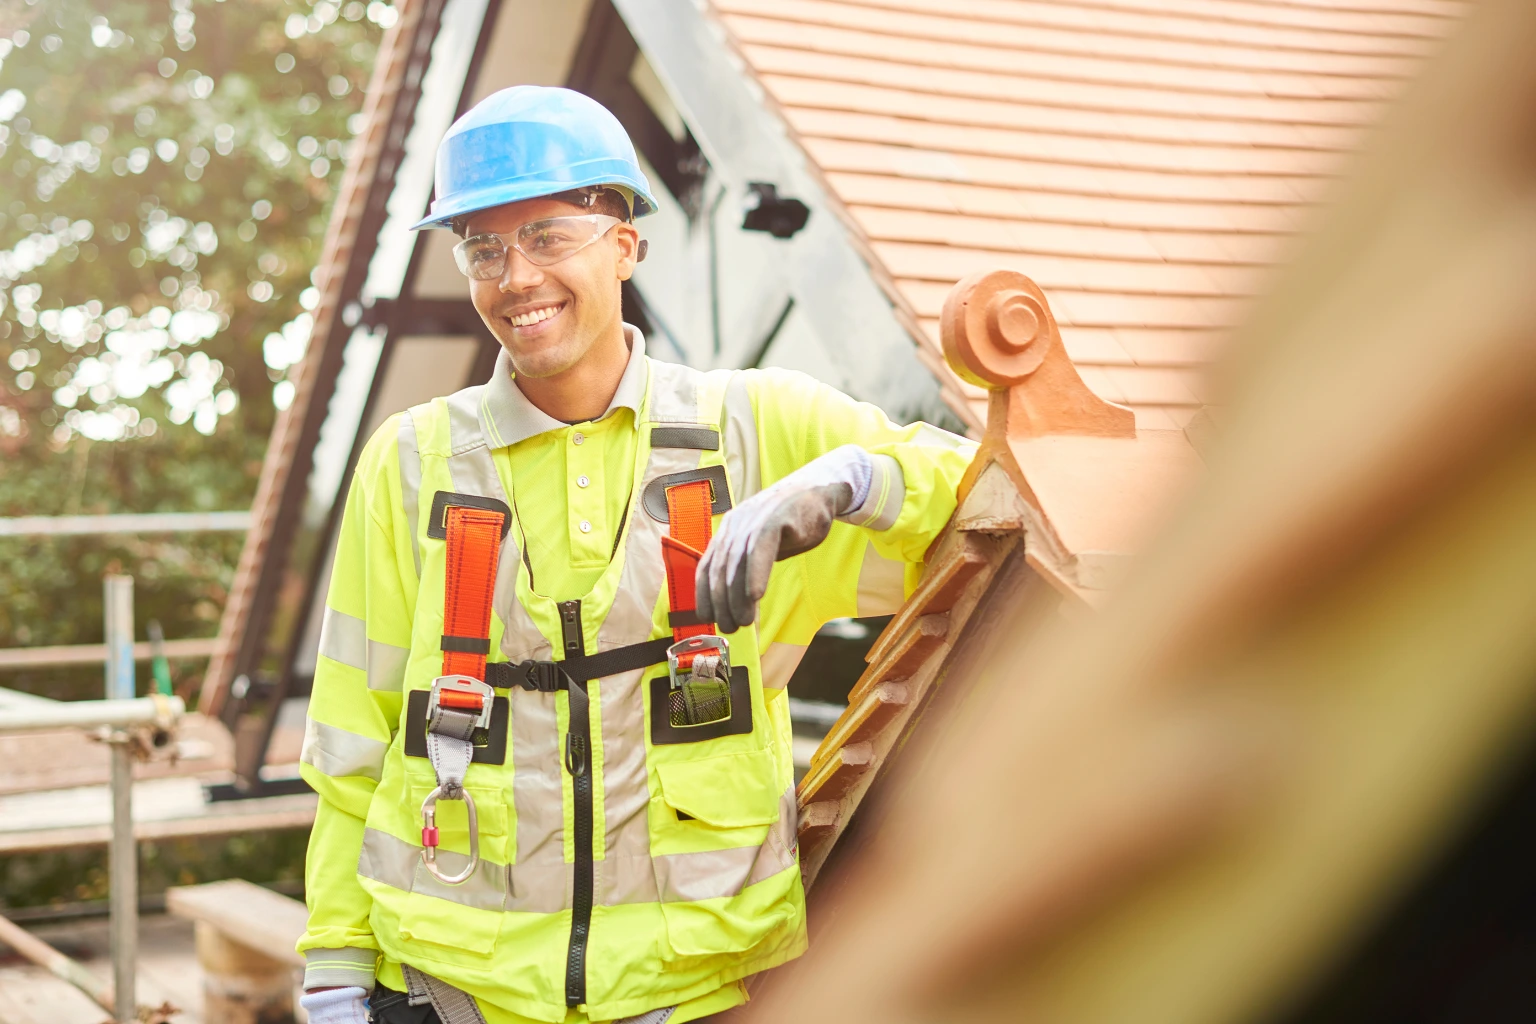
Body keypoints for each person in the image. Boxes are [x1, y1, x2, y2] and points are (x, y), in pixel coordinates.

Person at [295, 86, 973, 1024]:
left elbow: (995, 500)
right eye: (483, 247)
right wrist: (333, 966)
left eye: (547, 234)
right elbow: (351, 741)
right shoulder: (410, 463)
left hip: (697, 995)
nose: (514, 276)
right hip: (456, 992)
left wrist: (853, 479)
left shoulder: (759, 427)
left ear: (626, 243)